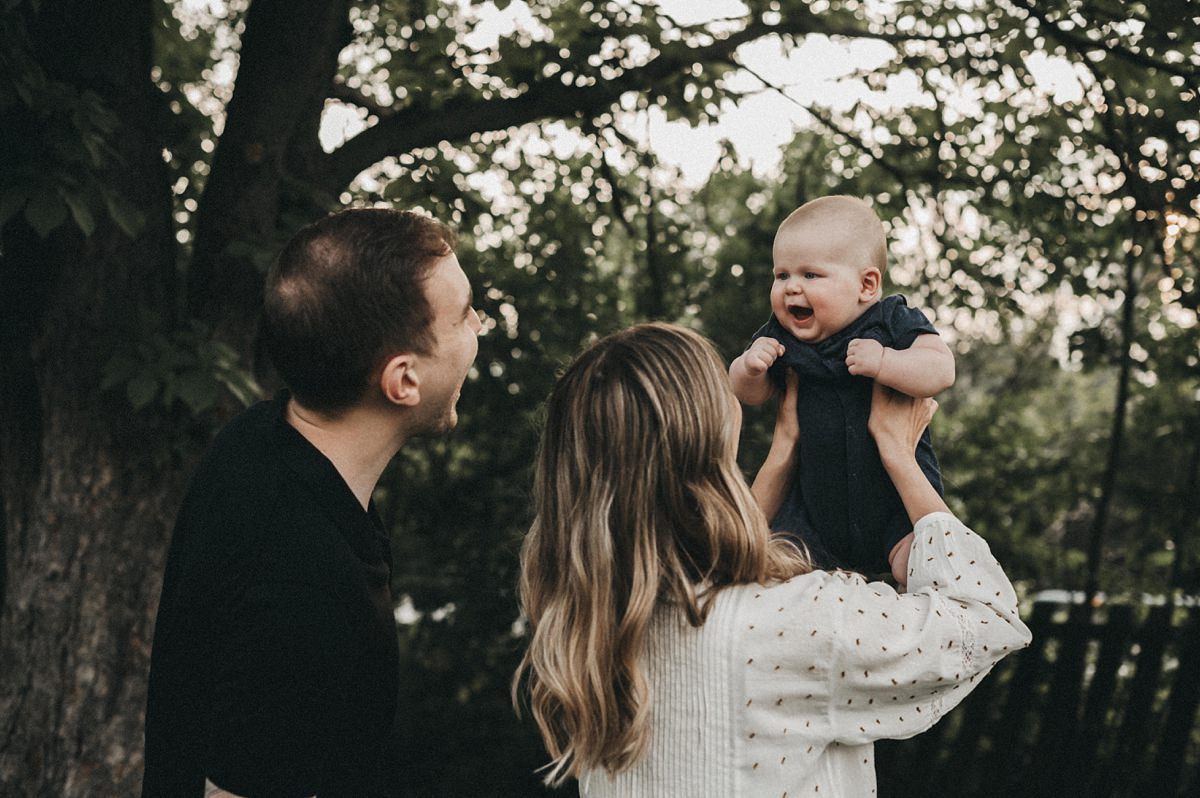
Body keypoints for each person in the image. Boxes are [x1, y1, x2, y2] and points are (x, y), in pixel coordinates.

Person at [514, 322, 1030, 796]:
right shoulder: (795, 621)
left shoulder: (584, 623)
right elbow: (988, 619)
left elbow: (715, 564)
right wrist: (898, 453)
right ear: (709, 439)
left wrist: (784, 449)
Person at [143, 208, 481, 797]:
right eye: (465, 315)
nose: (480, 325)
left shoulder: (258, 440)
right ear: (404, 380)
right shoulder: (304, 587)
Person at [728, 195, 956, 586]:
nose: (790, 288)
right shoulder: (780, 335)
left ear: (867, 285)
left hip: (893, 505)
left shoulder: (891, 321)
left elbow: (941, 369)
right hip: (814, 513)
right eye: (781, 275)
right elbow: (749, 394)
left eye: (810, 275)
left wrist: (887, 362)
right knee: (782, 568)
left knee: (921, 564)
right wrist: (750, 366)